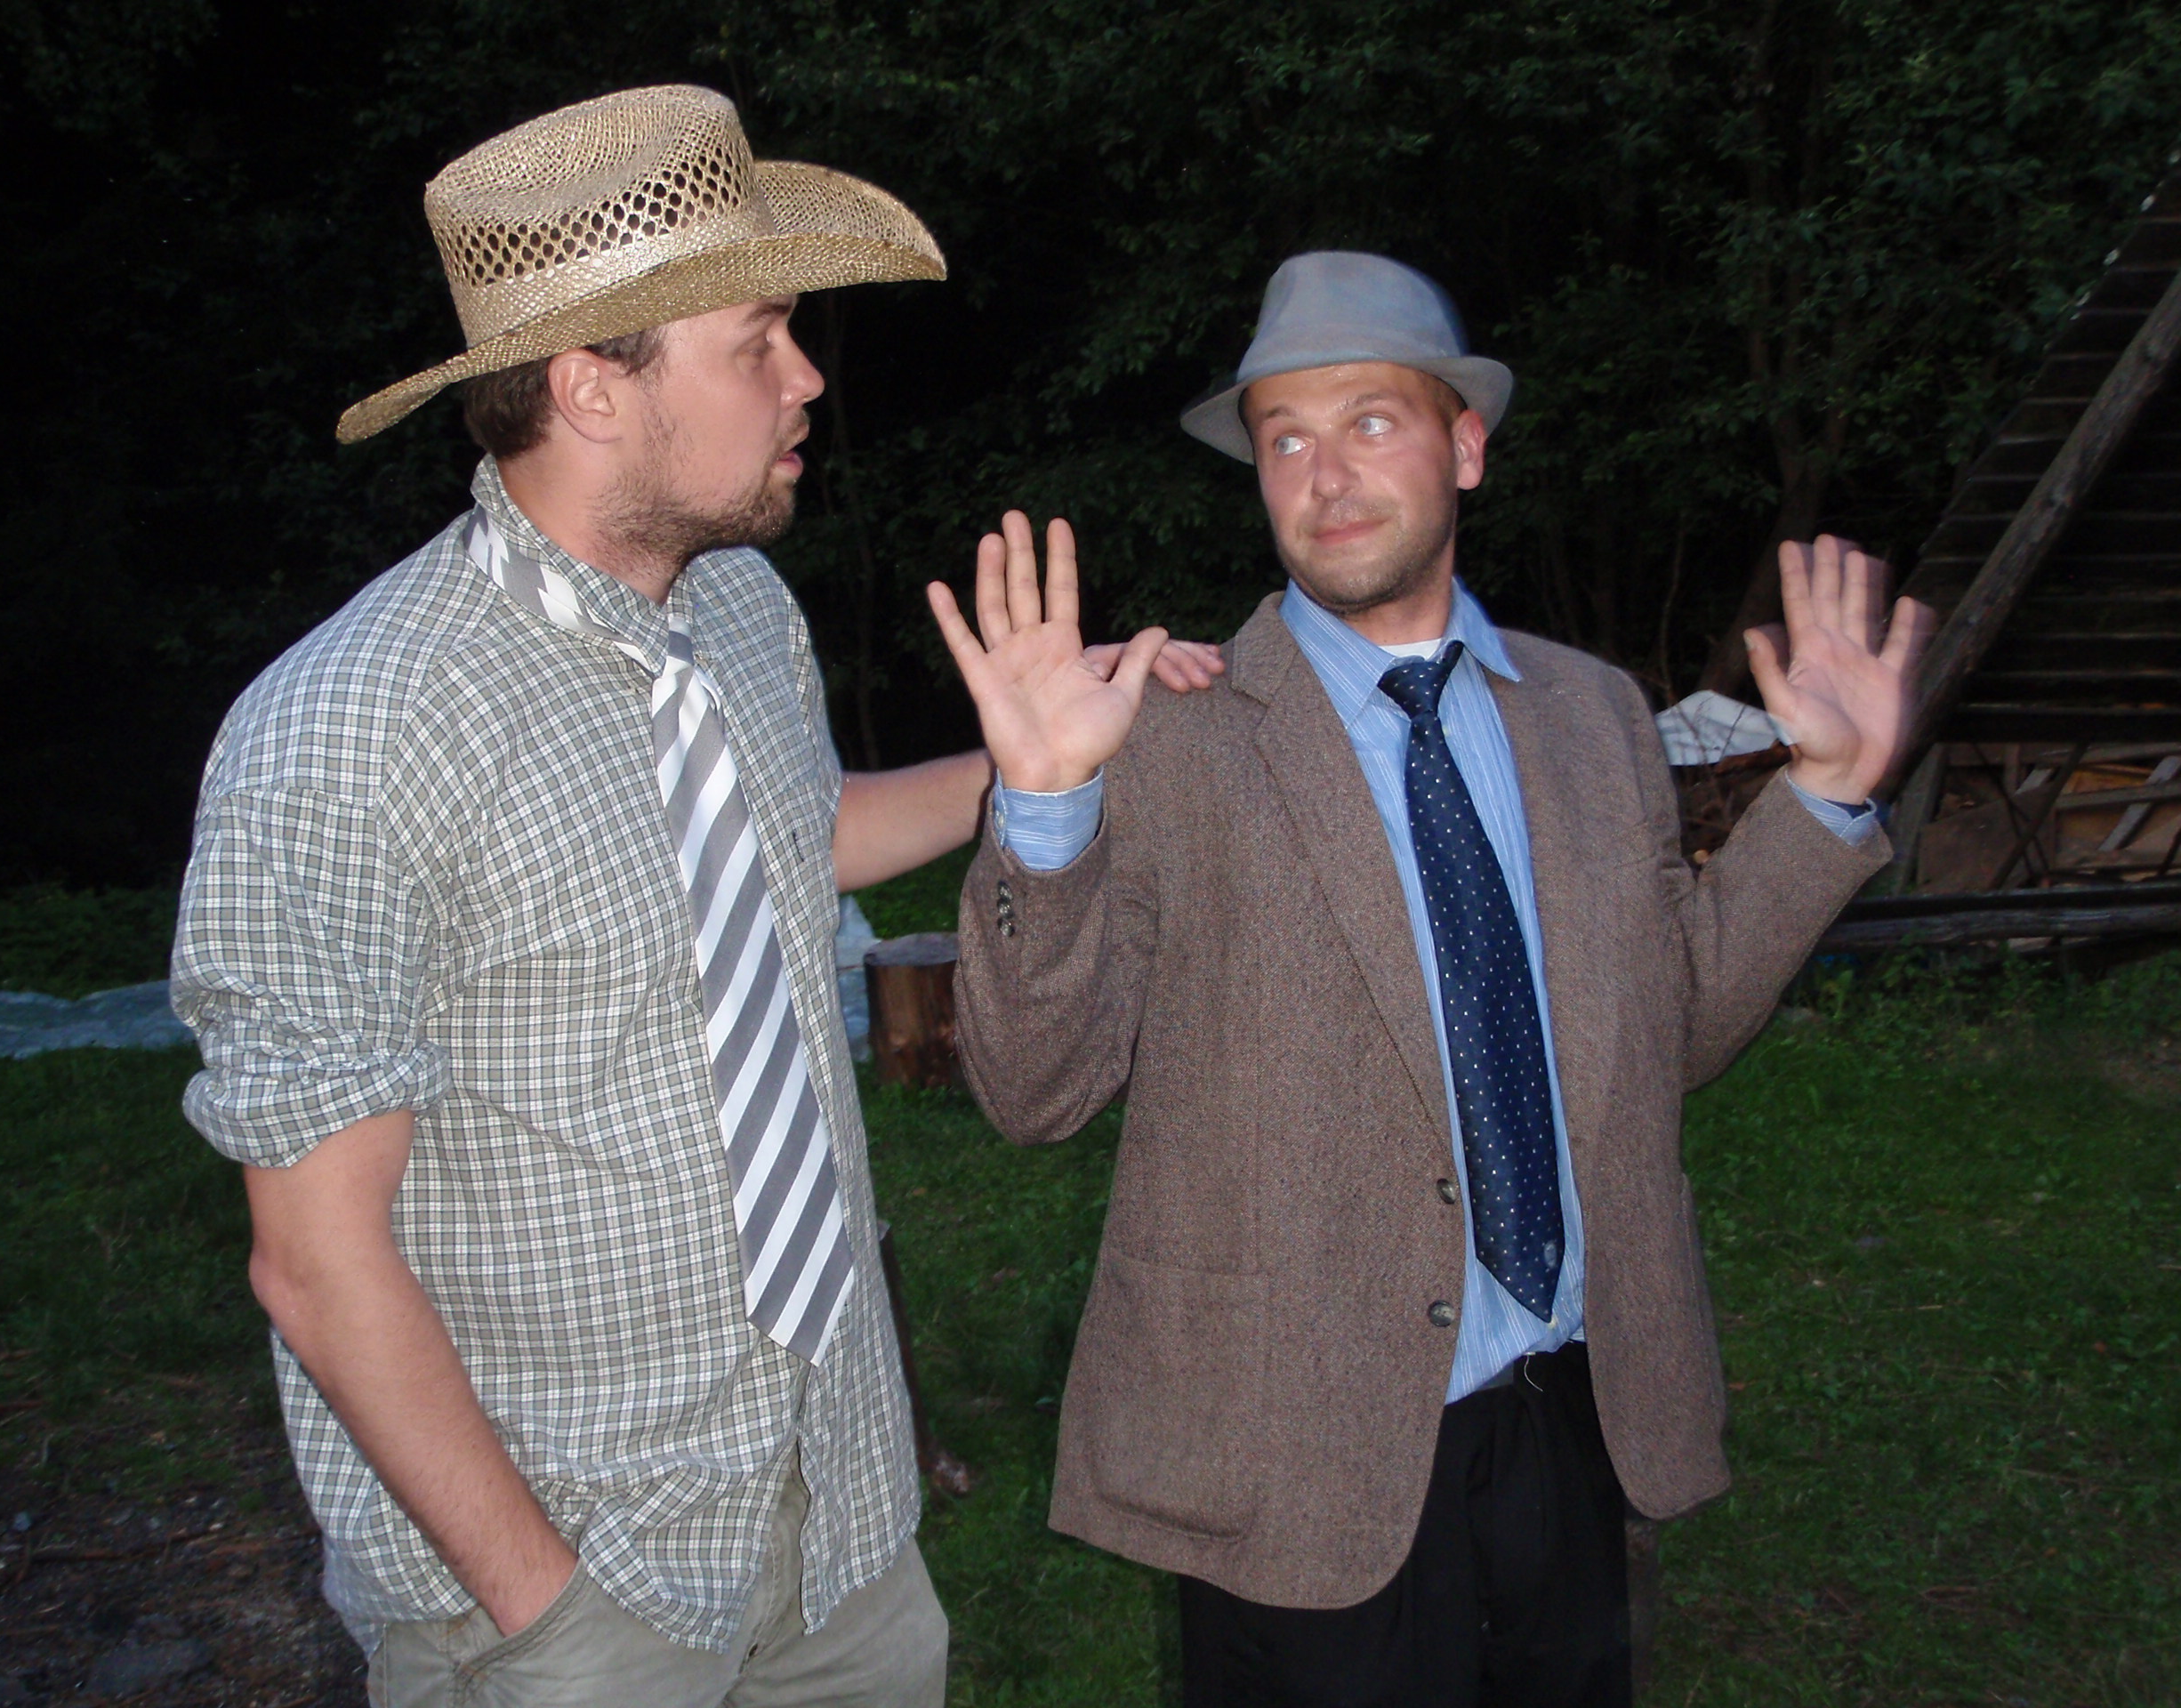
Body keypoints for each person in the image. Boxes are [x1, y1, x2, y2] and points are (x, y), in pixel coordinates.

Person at [171, 85, 1215, 1707]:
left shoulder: (736, 606)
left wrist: (1028, 766)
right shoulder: (352, 729)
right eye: (759, 339)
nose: (806, 378)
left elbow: (791, 836)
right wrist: (553, 1619)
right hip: (579, 1574)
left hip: (836, 1522)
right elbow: (313, 1261)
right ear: (593, 385)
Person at [936, 251, 1928, 1706]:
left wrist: (1827, 795)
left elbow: (1670, 1033)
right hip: (1295, 1449)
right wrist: (1042, 808)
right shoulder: (1166, 738)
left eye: (1370, 422)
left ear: (1466, 446)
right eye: (1285, 439)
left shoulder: (1590, 714)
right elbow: (1032, 1092)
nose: (1325, 475)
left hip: (1573, 1411)